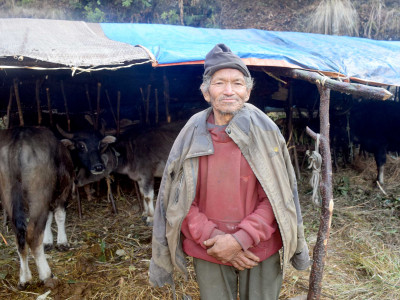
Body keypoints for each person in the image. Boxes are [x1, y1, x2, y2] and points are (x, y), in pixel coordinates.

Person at [149, 43, 310, 300]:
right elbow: (178, 197)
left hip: (260, 246)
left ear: (247, 92)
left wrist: (240, 240)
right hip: (209, 247)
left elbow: (278, 194)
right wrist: (214, 239)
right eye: (219, 83)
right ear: (206, 93)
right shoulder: (191, 131)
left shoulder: (265, 130)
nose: (228, 91)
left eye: (237, 83)